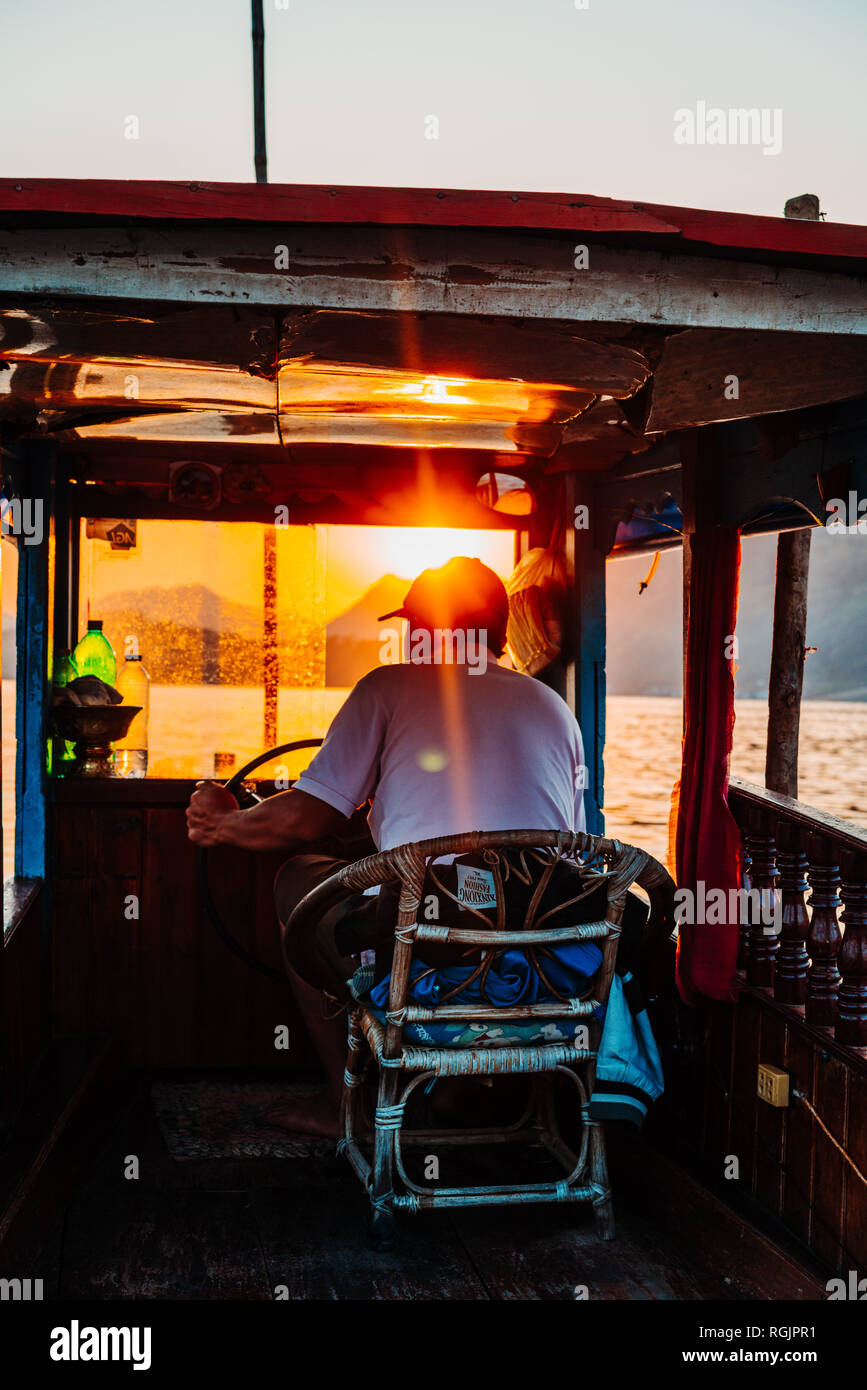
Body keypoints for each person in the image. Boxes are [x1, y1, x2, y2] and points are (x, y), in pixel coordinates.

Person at [186, 556, 588, 1137]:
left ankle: (347, 1107)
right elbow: (564, 849)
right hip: (544, 968)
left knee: (301, 881)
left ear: (423, 630)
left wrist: (223, 824)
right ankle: (459, 1095)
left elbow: (303, 818)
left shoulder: (389, 686)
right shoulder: (555, 709)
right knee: (447, 899)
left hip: (427, 962)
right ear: (498, 632)